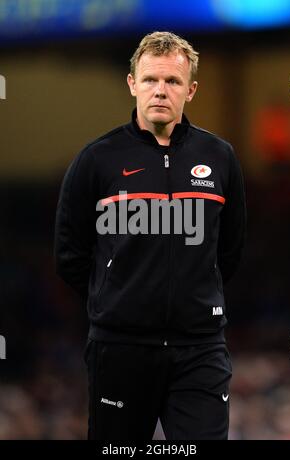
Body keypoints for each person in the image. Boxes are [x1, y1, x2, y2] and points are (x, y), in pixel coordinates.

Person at [54, 31, 247, 440]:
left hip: (200, 350)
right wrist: (118, 300)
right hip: (119, 350)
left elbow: (229, 251)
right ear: (132, 84)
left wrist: (192, 301)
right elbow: (69, 255)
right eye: (150, 80)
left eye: (173, 81)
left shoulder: (220, 157)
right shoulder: (96, 159)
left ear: (191, 89)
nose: (161, 90)